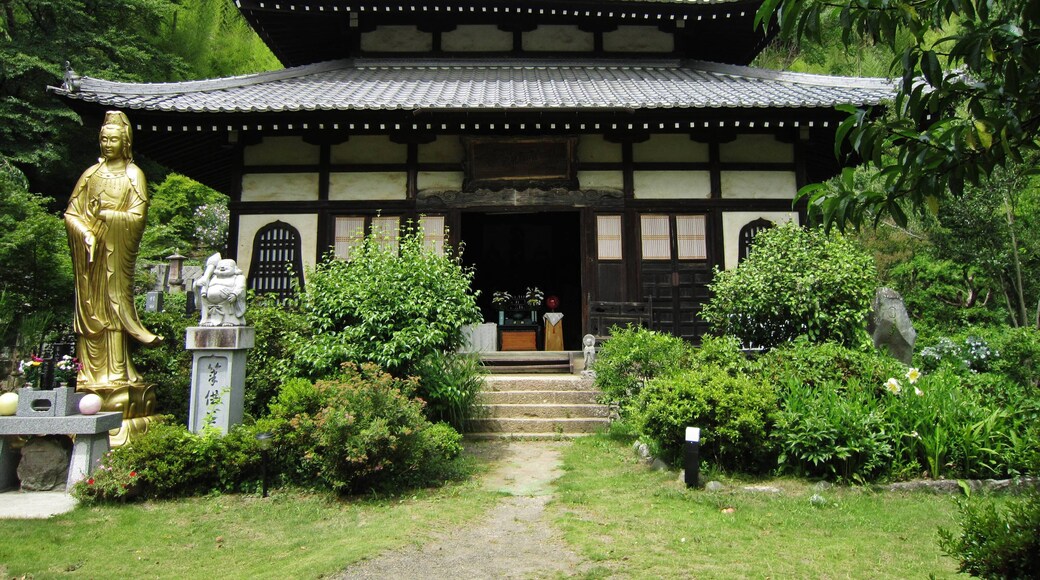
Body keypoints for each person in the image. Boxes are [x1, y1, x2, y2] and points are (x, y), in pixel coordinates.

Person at [65, 111, 162, 388]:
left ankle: (117, 372)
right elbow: (72, 213)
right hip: (90, 255)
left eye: (113, 140)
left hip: (115, 252)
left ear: (125, 142)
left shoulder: (134, 175)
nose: (108, 145)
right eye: (104, 139)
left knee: (114, 305)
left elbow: (138, 217)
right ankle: (86, 373)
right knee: (89, 308)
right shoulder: (90, 175)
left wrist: (108, 215)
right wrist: (84, 232)